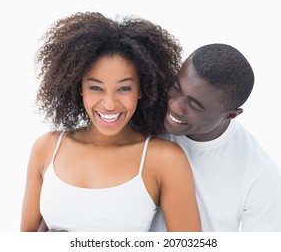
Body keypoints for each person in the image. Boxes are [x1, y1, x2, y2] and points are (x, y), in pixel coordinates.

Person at [20, 12, 201, 232]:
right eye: (96, 88)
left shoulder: (164, 159)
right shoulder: (47, 148)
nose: (109, 104)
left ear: (142, 89)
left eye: (124, 88)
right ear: (79, 88)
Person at [150, 43, 281, 232]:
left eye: (195, 106)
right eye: (176, 87)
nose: (175, 106)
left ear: (231, 115)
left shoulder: (258, 175)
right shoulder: (144, 118)